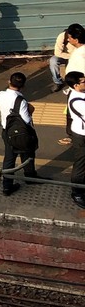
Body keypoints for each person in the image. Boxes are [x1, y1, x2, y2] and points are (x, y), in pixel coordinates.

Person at [0, 72, 38, 196]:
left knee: (9, 159)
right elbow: (26, 120)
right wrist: (30, 111)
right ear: (23, 86)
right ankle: (30, 178)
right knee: (28, 155)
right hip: (22, 134)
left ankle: (7, 186)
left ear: (9, 81)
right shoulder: (21, 101)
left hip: (7, 132)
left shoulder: (0, 95)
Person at [67, 71, 85, 208]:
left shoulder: (80, 93)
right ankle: (77, 192)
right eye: (83, 81)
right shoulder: (77, 101)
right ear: (76, 85)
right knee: (80, 164)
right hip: (81, 136)